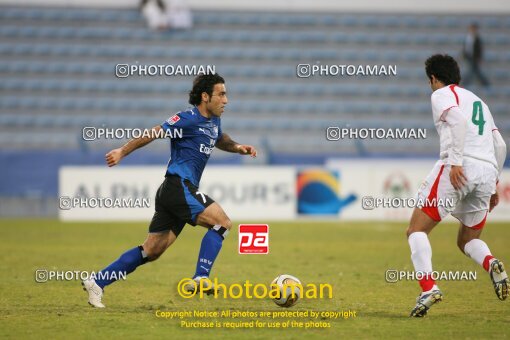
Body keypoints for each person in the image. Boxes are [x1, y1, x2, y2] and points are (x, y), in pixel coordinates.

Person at [82, 73, 257, 308]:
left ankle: (97, 282)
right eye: (221, 94)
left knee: (151, 251)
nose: (226, 100)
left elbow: (218, 138)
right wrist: (122, 151)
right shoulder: (187, 119)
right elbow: (154, 132)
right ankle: (201, 277)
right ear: (205, 97)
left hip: (173, 192)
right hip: (178, 186)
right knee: (222, 223)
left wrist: (238, 148)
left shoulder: (214, 121)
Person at [407, 54, 508, 317]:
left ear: (433, 78)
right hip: (487, 170)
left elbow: (458, 122)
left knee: (416, 229)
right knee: (467, 240)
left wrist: (455, 162)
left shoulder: (441, 94)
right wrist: (494, 181)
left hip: (461, 166)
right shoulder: (479, 102)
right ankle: (491, 263)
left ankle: (428, 288)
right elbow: (500, 145)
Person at [462, 23, 490, 87]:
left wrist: (479, 58)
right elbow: (466, 47)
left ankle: (465, 83)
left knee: (473, 71)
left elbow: (479, 49)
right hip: (468, 57)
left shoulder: (477, 38)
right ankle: (485, 83)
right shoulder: (468, 37)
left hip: (474, 57)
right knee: (475, 71)